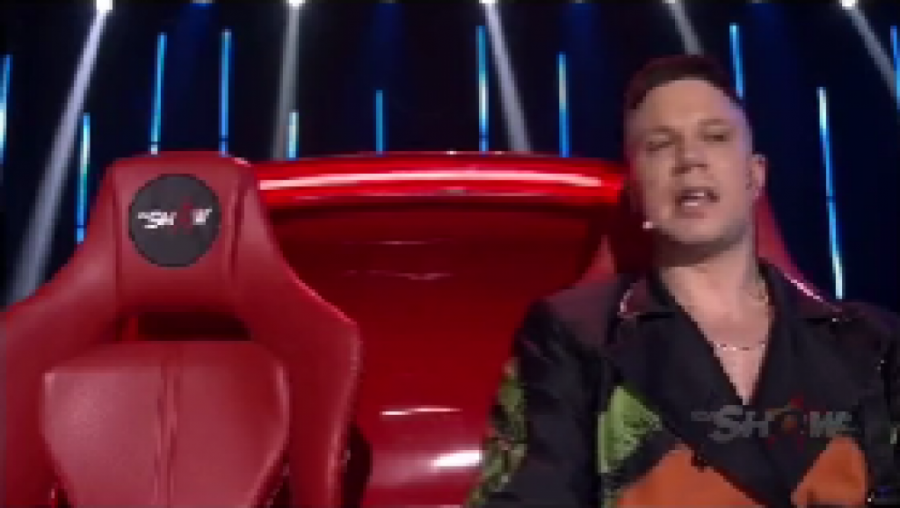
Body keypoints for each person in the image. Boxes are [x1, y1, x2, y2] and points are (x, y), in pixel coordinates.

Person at [466, 55, 899, 507]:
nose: (690, 160)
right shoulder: (575, 337)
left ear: (755, 176)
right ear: (636, 192)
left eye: (715, 137)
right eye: (659, 145)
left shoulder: (871, 341)